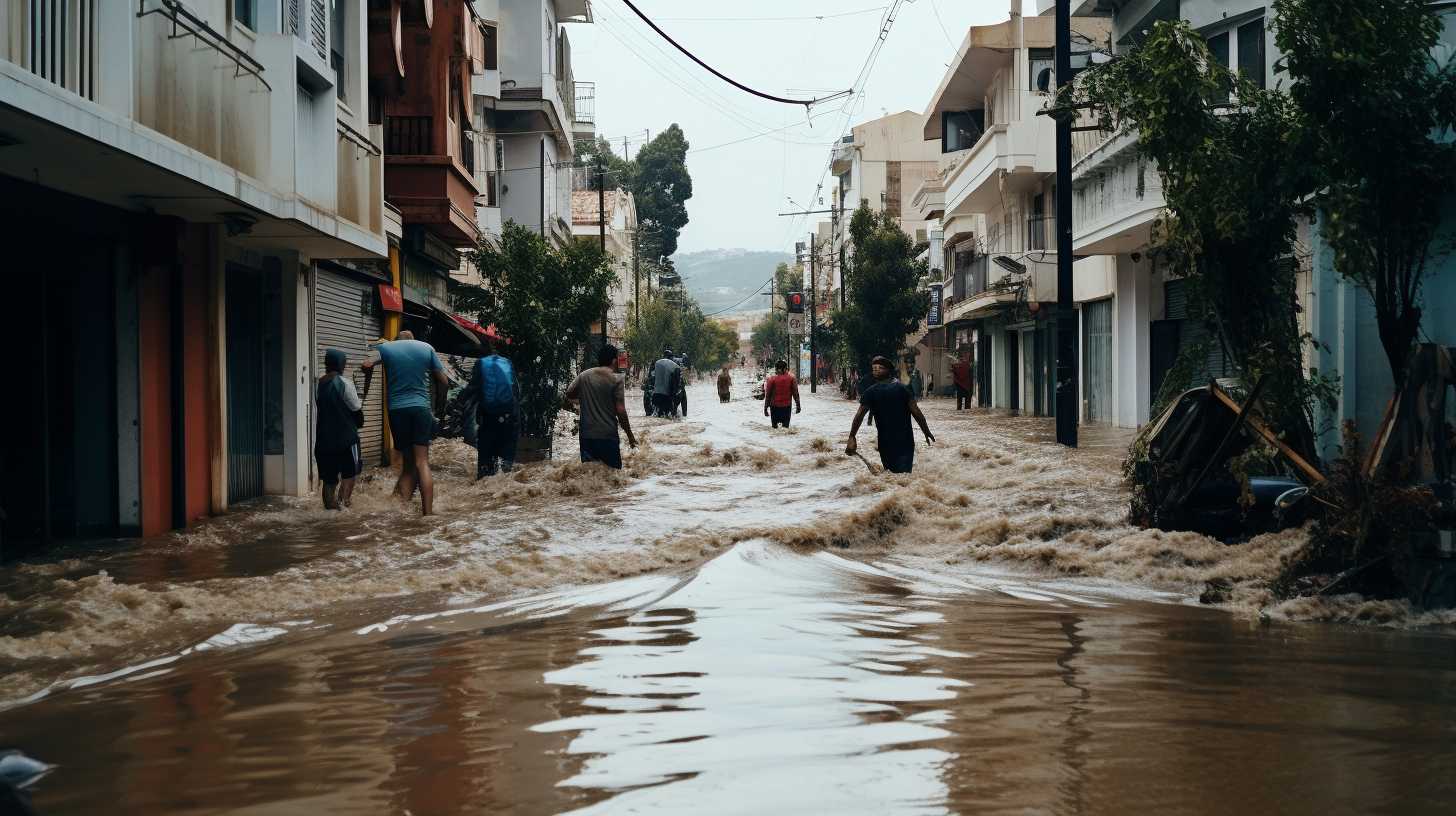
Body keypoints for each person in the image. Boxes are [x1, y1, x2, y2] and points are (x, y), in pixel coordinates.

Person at [361, 330, 448, 515]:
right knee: (422, 462)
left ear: (397, 340)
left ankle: (401, 511)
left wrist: (365, 385)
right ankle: (428, 514)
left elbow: (366, 364)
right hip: (421, 409)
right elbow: (444, 382)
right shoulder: (426, 348)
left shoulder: (386, 348)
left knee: (408, 464)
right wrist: (440, 408)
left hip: (397, 411)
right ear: (412, 339)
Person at [846, 355, 935, 474]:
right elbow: (859, 416)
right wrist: (852, 436)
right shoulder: (872, 392)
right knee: (899, 476)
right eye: (874, 368)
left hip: (903, 441)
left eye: (880, 367)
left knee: (895, 477)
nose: (876, 369)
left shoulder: (901, 389)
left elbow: (917, 412)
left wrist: (926, 431)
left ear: (889, 371)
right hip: (888, 442)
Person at [565, 344, 639, 468]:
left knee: (589, 475)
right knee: (612, 477)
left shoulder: (584, 375)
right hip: (607, 436)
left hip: (586, 437)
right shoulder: (616, 379)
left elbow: (568, 394)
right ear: (614, 360)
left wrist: (581, 403)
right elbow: (620, 410)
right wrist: (630, 437)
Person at [315, 348, 364, 510]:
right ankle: (344, 508)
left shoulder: (318, 384)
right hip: (347, 440)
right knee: (349, 475)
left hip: (324, 441)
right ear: (342, 364)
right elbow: (357, 411)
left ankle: (329, 511)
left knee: (329, 480)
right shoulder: (345, 383)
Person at [471, 334, 518, 478]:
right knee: (506, 466)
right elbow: (516, 391)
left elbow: (473, 389)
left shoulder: (480, 363)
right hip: (509, 417)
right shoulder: (508, 363)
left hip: (487, 417)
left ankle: (484, 483)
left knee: (486, 462)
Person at [763, 359, 801, 428]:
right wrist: (798, 405)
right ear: (785, 369)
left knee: (774, 429)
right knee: (785, 429)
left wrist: (765, 408)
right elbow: (795, 394)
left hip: (774, 408)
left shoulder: (771, 379)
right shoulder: (792, 378)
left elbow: (768, 395)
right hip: (786, 408)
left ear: (777, 369)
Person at [651, 348, 681, 418]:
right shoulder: (675, 366)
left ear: (663, 355)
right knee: (668, 417)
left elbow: (652, 377)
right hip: (666, 397)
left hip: (655, 396)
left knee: (657, 415)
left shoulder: (657, 362)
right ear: (671, 357)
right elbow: (676, 383)